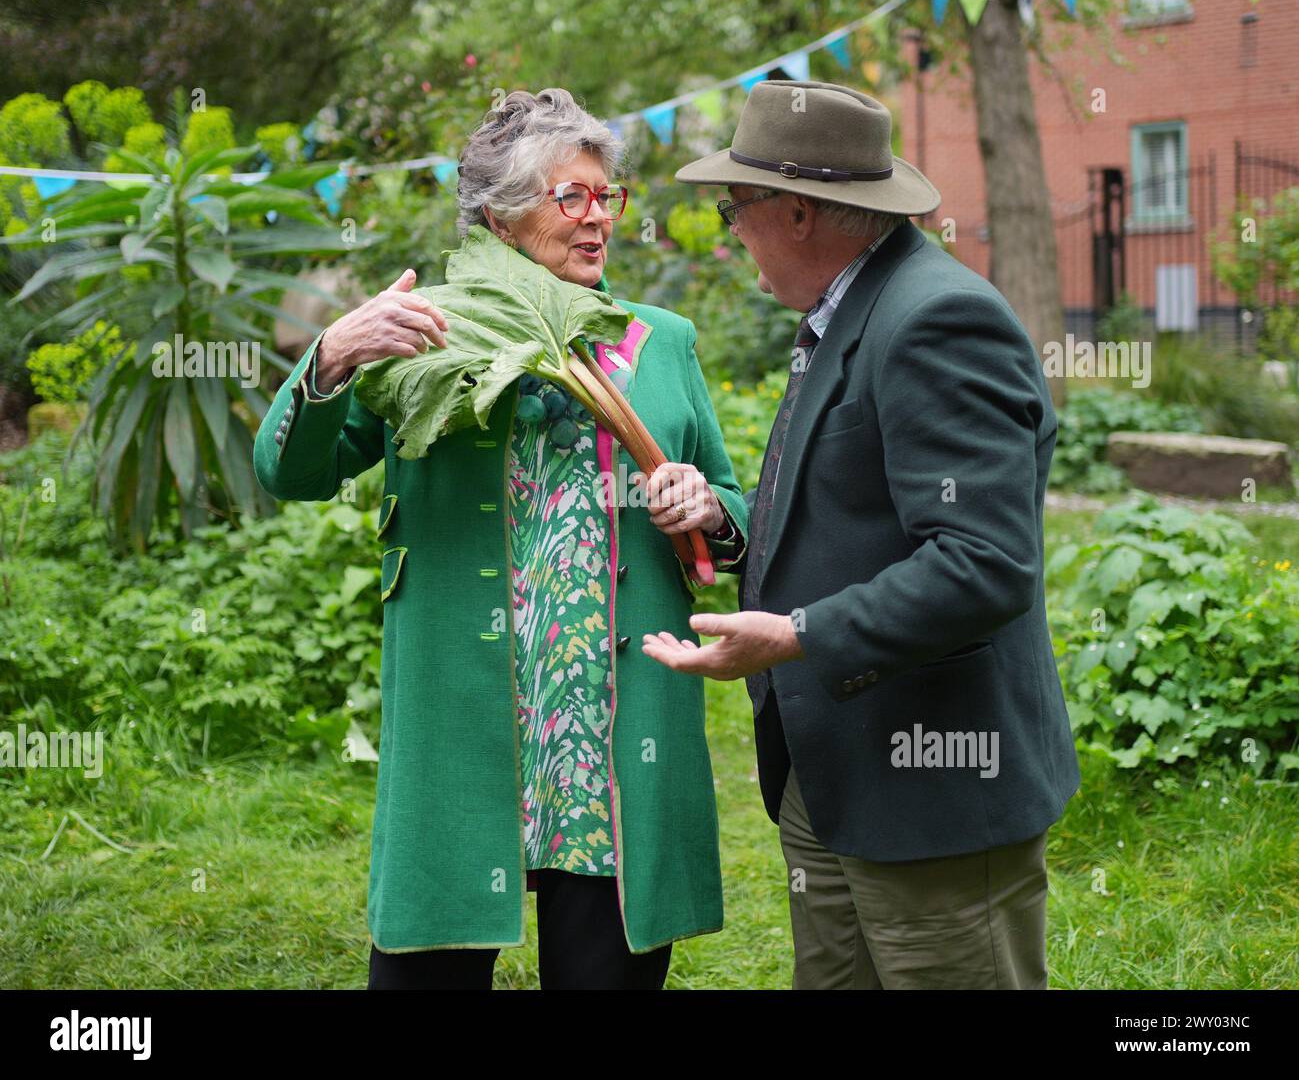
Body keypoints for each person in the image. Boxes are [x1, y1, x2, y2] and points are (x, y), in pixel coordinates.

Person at [253, 88, 748, 990]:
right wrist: (330, 356)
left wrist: (706, 507)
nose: (599, 219)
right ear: (498, 216)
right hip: (465, 706)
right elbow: (290, 473)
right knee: (429, 967)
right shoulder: (424, 331)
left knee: (605, 973)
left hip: (607, 724)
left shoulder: (660, 339)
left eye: (609, 197)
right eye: (573, 198)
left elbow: (730, 498)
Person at [643, 80, 1080, 989]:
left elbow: (984, 563)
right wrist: (724, 528)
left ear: (798, 212)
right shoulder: (847, 308)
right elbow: (838, 510)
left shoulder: (935, 321)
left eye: (734, 208)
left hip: (933, 792)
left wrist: (799, 636)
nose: (730, 232)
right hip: (838, 770)